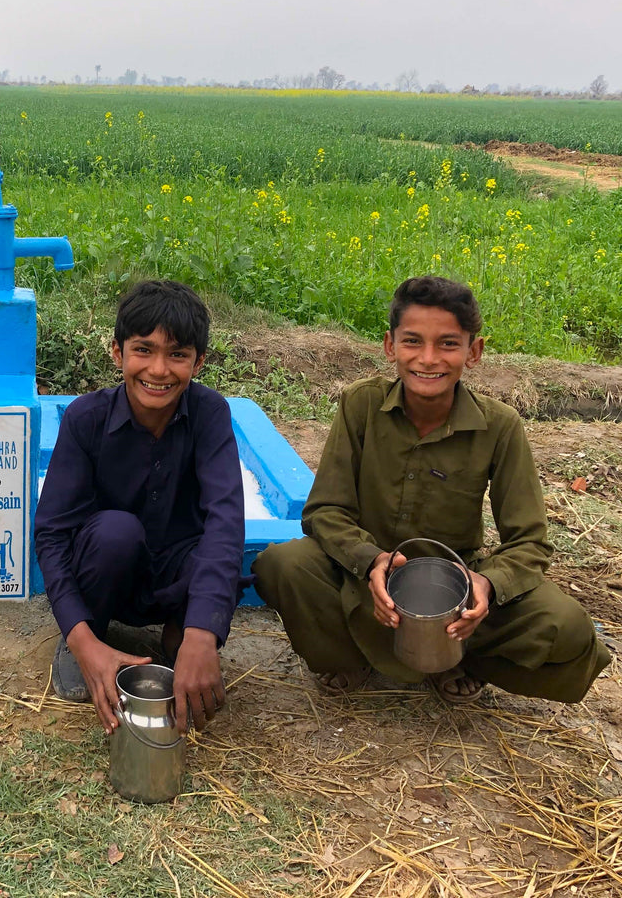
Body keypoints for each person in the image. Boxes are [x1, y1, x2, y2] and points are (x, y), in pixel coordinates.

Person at [254, 275, 609, 704]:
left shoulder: (499, 426)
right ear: (390, 346)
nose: (427, 359)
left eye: (447, 343)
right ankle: (346, 657)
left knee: (567, 626)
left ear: (472, 352)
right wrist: (371, 563)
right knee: (282, 563)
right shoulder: (361, 405)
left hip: (456, 594)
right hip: (365, 580)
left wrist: (487, 585)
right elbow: (325, 510)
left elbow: (530, 541)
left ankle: (461, 658)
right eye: (412, 342)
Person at [34, 280, 246, 734]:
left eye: (178, 355)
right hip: (107, 571)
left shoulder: (210, 415)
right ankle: (91, 638)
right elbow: (51, 535)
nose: (159, 369)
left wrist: (202, 633)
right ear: (117, 353)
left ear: (199, 361)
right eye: (143, 350)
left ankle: (179, 634)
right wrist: (80, 637)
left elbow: (225, 524)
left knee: (216, 549)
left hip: (174, 576)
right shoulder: (85, 419)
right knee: (115, 532)